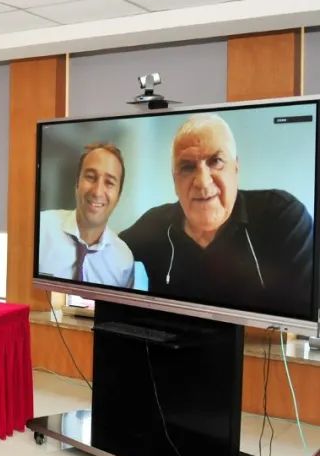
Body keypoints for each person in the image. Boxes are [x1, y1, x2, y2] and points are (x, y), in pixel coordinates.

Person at [120, 113, 313, 318]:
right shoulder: (155, 225)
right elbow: (106, 251)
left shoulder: (281, 216)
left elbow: (301, 321)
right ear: (174, 181)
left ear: (236, 168)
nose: (203, 182)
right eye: (187, 167)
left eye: (216, 161)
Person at [39, 142, 135, 288]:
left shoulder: (124, 261)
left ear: (118, 196)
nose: (97, 192)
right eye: (90, 177)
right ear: (77, 183)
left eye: (109, 182)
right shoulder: (40, 229)